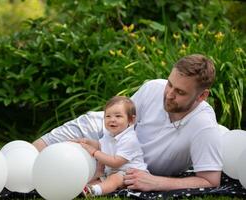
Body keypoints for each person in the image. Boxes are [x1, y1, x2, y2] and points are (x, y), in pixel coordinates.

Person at [32, 54, 223, 191]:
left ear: (202, 96)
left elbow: (210, 180)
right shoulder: (153, 89)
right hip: (112, 134)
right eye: (170, 84)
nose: (169, 95)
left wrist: (157, 182)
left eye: (180, 92)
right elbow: (122, 122)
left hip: (128, 164)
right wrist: (100, 145)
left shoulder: (204, 126)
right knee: (42, 148)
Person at [73, 96, 147, 196]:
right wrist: (85, 142)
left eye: (118, 116)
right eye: (108, 116)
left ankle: (95, 191)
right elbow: (100, 145)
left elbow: (115, 162)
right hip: (112, 172)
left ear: (130, 120)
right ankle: (84, 189)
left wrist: (94, 152)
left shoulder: (130, 139)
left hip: (131, 175)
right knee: (96, 180)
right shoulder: (109, 134)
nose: (112, 120)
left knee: (115, 178)